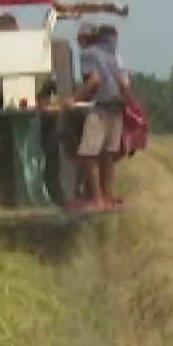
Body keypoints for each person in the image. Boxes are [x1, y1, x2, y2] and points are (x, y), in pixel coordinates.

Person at [63, 22, 130, 211]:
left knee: (88, 155)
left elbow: (94, 80)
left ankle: (97, 199)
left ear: (85, 39)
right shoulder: (112, 55)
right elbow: (124, 83)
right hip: (116, 109)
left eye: (80, 38)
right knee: (107, 155)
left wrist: (72, 99)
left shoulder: (88, 54)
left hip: (100, 110)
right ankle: (108, 196)